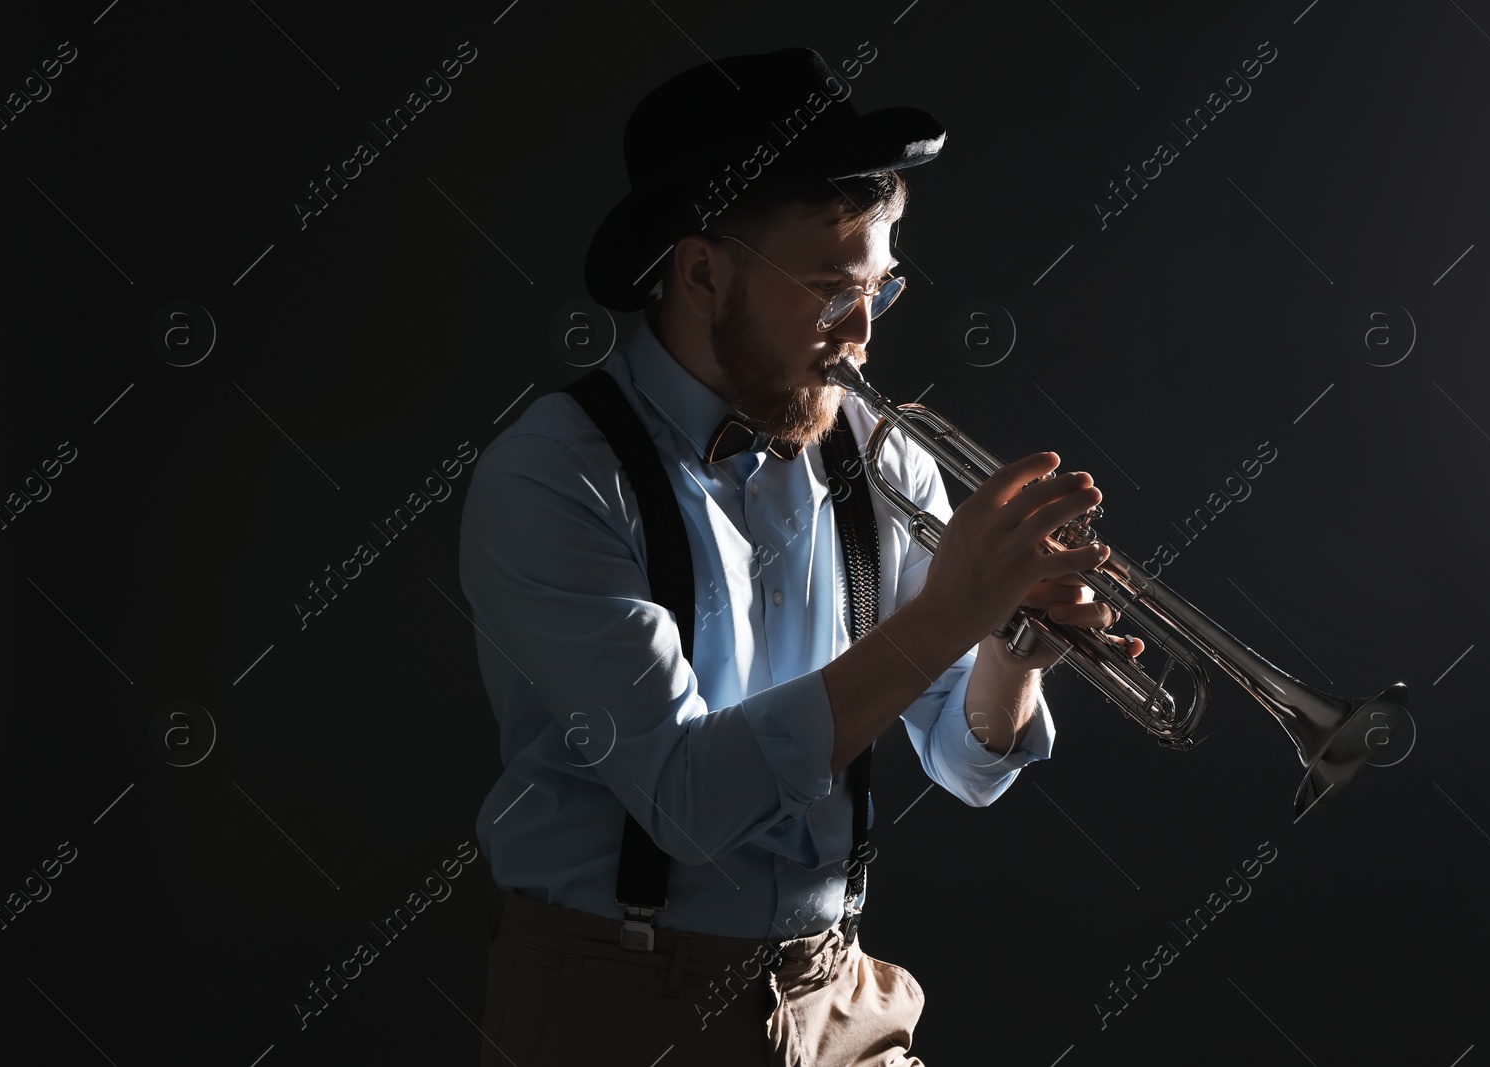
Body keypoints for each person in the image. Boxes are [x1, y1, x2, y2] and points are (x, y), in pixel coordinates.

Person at [459, 46, 1138, 1067]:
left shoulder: (880, 450)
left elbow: (964, 761)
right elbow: (687, 802)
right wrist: (951, 610)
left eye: (881, 286)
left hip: (838, 990)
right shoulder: (552, 476)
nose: (862, 332)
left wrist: (1012, 645)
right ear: (700, 271)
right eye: (831, 289)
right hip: (619, 998)